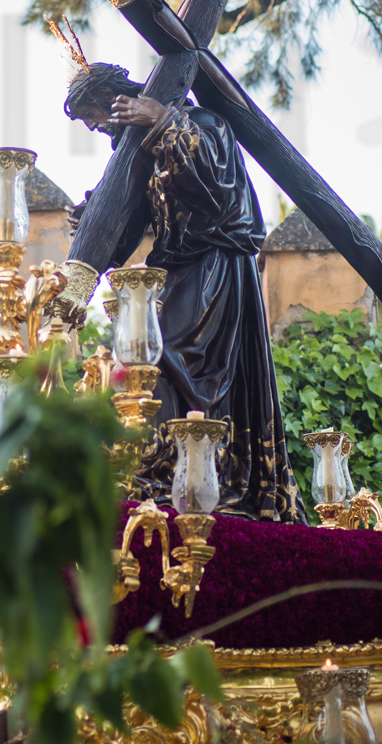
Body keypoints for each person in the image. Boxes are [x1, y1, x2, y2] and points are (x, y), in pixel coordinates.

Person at [61, 61, 305, 523]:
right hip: (173, 271)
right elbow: (130, 228)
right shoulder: (137, 157)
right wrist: (95, 219)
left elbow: (215, 194)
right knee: (148, 360)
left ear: (115, 97)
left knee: (165, 356)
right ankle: (167, 469)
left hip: (215, 267)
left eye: (90, 112)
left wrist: (165, 123)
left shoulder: (204, 124)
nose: (93, 125)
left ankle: (201, 473)